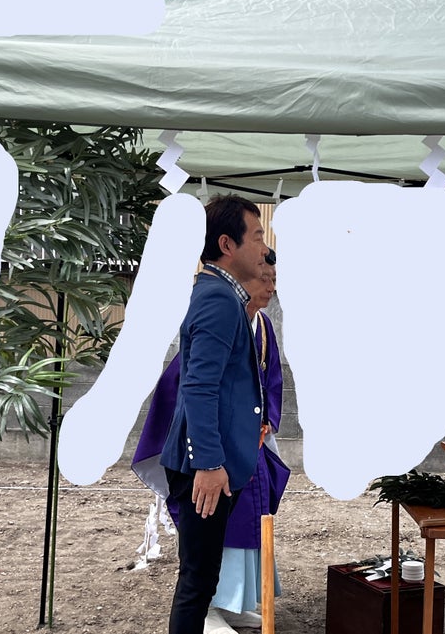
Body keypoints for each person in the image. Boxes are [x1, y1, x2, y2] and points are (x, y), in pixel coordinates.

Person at [133, 249, 289, 634]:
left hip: (246, 449)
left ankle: (236, 601)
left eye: (274, 280)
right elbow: (193, 387)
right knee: (202, 563)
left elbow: (269, 382)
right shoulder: (219, 308)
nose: (270, 287)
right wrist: (206, 459)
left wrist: (265, 422)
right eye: (264, 278)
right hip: (212, 454)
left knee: (244, 528)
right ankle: (212, 609)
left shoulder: (261, 326)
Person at [158, 194, 269, 634]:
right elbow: (198, 386)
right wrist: (207, 463)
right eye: (257, 236)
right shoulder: (219, 299)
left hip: (210, 461)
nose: (265, 249)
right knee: (197, 582)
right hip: (203, 467)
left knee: (201, 578)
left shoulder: (221, 295)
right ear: (227, 244)